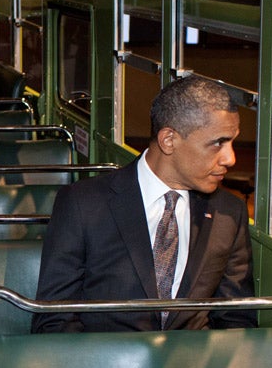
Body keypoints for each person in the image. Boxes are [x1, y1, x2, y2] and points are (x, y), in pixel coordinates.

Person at [33, 76, 256, 333]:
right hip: (105, 365)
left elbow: (236, 321)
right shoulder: (83, 204)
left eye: (232, 142)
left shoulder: (229, 212)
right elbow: (54, 319)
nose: (230, 158)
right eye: (218, 143)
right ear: (169, 140)